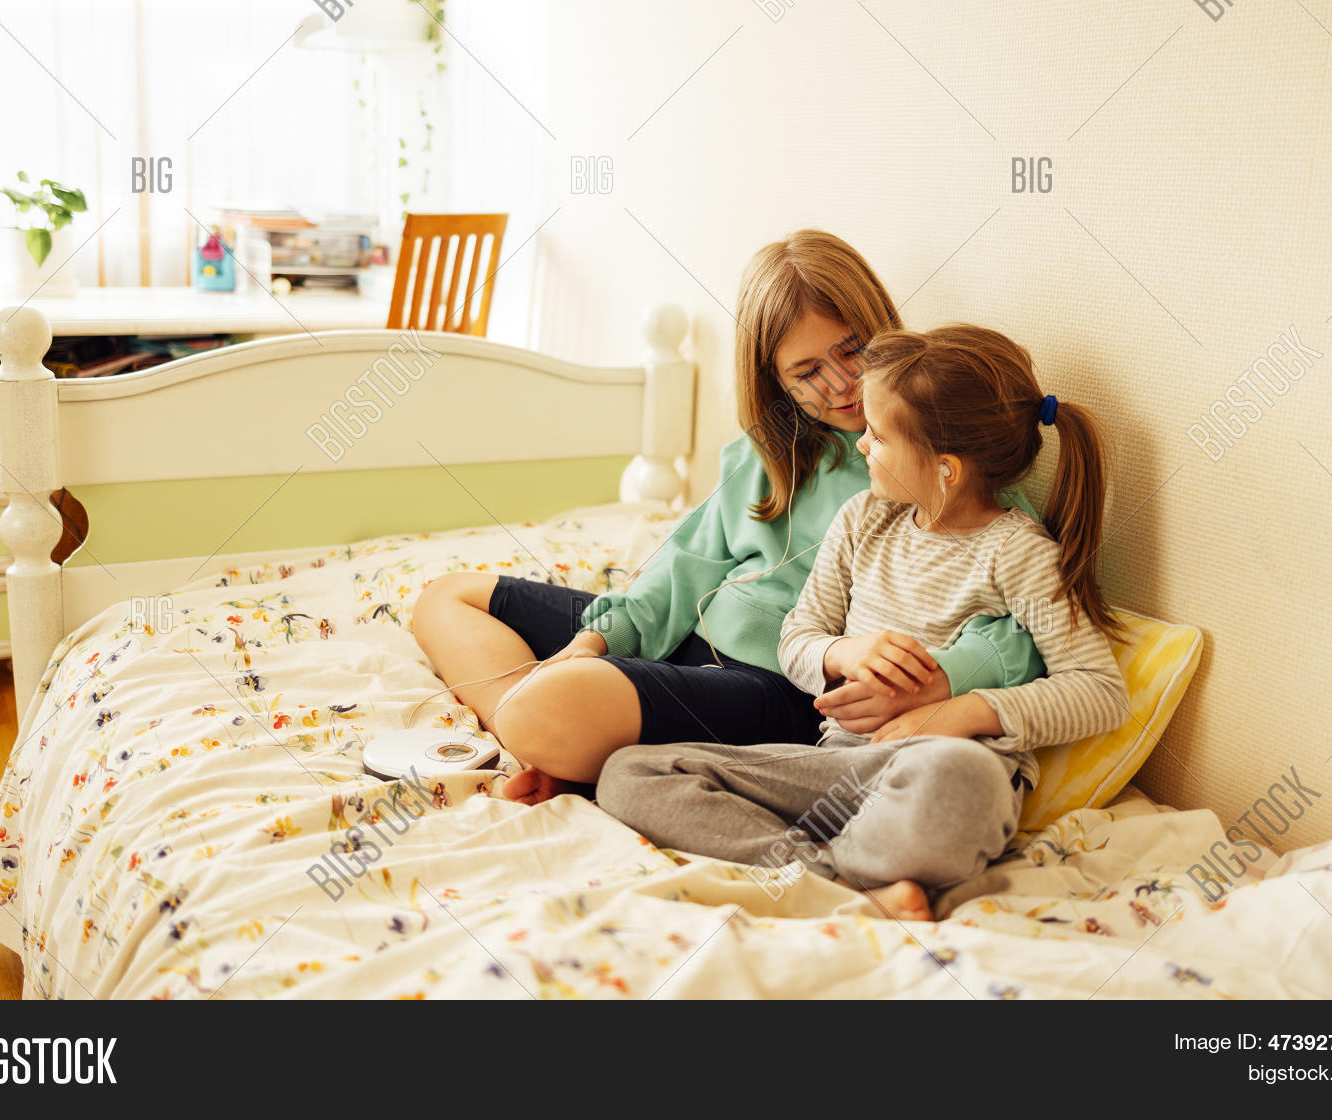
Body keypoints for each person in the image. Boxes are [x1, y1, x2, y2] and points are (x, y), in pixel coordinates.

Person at [408, 233, 1043, 806]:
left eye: (853, 351)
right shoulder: (760, 455)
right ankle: (540, 734)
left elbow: (1025, 622)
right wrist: (591, 643)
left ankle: (550, 731)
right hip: (684, 640)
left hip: (774, 687)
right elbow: (680, 571)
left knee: (554, 700)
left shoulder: (924, 464)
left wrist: (940, 680)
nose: (841, 384)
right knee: (447, 597)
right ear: (777, 382)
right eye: (807, 372)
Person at [595, 325, 1131, 922]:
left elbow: (1099, 691)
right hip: (838, 771)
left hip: (936, 775)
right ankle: (842, 881)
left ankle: (838, 873)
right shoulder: (862, 520)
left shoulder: (1018, 552)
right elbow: (797, 638)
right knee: (629, 771)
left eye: (877, 437)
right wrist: (842, 655)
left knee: (965, 775)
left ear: (945, 469)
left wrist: (962, 712)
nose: (861, 447)